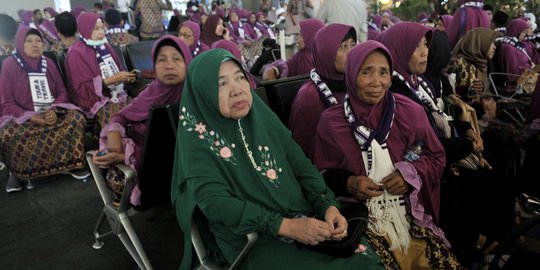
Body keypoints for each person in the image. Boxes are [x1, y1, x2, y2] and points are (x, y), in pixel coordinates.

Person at [171, 48, 385, 270]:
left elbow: (301, 166)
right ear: (202, 92)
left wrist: (328, 205)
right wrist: (288, 227)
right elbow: (215, 203)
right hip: (252, 240)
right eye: (221, 84)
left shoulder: (261, 118)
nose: (236, 90)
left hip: (304, 218)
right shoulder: (198, 140)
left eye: (239, 78)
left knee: (365, 263)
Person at [311, 40, 460, 270]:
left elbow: (435, 157)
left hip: (410, 215)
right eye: (366, 72)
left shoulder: (410, 113)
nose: (376, 82)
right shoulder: (331, 122)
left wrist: (408, 176)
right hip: (361, 220)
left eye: (383, 72)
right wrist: (348, 183)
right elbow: (319, 175)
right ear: (351, 75)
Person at [93, 35, 192, 206]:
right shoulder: (151, 92)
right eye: (162, 60)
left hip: (182, 162)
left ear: (188, 62)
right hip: (149, 160)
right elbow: (120, 117)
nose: (169, 65)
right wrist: (115, 144)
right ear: (154, 65)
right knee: (117, 169)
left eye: (177, 58)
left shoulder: (196, 93)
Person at [0, 28, 88, 193]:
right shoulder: (9, 65)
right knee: (9, 133)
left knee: (76, 119)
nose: (35, 44)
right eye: (29, 41)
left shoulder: (48, 62)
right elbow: (6, 101)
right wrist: (31, 117)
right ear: (20, 43)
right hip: (22, 116)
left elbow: (62, 92)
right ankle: (18, 172)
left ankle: (70, 164)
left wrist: (54, 110)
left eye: (38, 40)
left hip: (50, 111)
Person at [289, 23, 356, 157]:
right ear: (326, 51)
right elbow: (303, 153)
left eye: (353, 45)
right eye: (343, 46)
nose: (351, 52)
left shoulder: (352, 85)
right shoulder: (310, 97)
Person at [65, 12, 135, 132]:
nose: (101, 32)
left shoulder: (104, 45)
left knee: (140, 111)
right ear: (85, 28)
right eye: (96, 29)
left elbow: (119, 68)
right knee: (117, 120)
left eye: (102, 28)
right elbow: (82, 88)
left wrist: (126, 77)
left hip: (116, 94)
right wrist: (114, 79)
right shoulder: (76, 52)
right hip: (95, 100)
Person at [446, 28, 499, 126]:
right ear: (479, 43)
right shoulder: (457, 63)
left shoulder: (482, 65)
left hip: (473, 118)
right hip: (458, 121)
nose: (495, 47)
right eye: (491, 43)